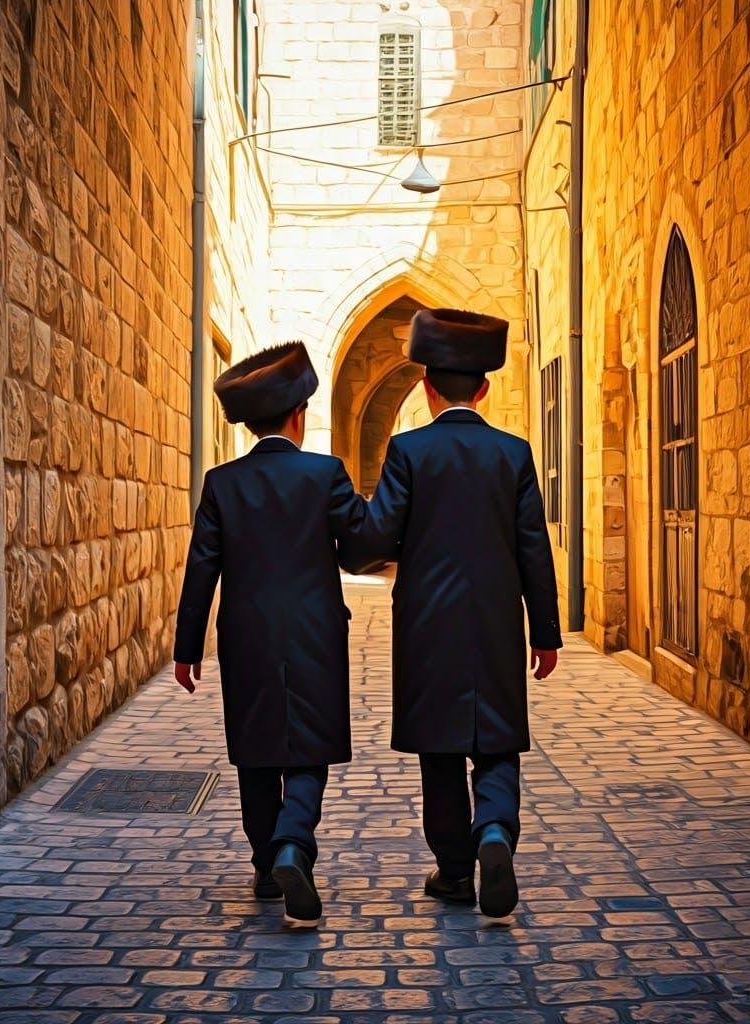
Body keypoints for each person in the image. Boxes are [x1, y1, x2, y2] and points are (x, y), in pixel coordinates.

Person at [342, 308, 563, 919]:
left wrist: (342, 534)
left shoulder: (409, 450)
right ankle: (495, 832)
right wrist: (545, 632)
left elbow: (378, 535)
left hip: (427, 627)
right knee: (495, 742)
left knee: (439, 751)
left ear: (427, 388)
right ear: (484, 388)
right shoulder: (513, 454)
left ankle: (453, 871)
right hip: (495, 624)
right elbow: (532, 547)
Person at [173, 341, 364, 929]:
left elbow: (201, 566)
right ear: (299, 415)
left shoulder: (221, 483)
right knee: (309, 749)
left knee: (255, 751)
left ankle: (265, 863)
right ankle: (292, 844)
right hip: (314, 636)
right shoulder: (325, 474)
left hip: (247, 637)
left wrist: (186, 649)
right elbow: (357, 552)